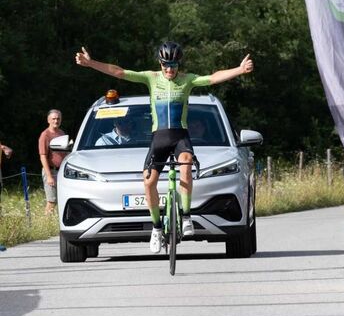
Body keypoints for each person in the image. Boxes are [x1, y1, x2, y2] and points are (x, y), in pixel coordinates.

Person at [75, 41, 253, 253]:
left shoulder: (188, 80)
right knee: (148, 181)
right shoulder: (152, 78)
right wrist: (91, 63)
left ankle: (186, 216)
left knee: (186, 164)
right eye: (165, 65)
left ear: (179, 65)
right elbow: (120, 72)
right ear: (160, 64)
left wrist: (240, 70)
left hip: (180, 136)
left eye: (174, 66)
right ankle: (157, 228)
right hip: (159, 138)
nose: (169, 70)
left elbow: (214, 77)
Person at [38, 109, 68, 215]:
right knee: (51, 201)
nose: (56, 121)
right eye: (53, 119)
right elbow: (43, 156)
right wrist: (49, 176)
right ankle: (46, 224)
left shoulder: (61, 133)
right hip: (51, 171)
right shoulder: (45, 135)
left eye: (58, 118)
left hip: (61, 172)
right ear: (48, 120)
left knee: (62, 199)